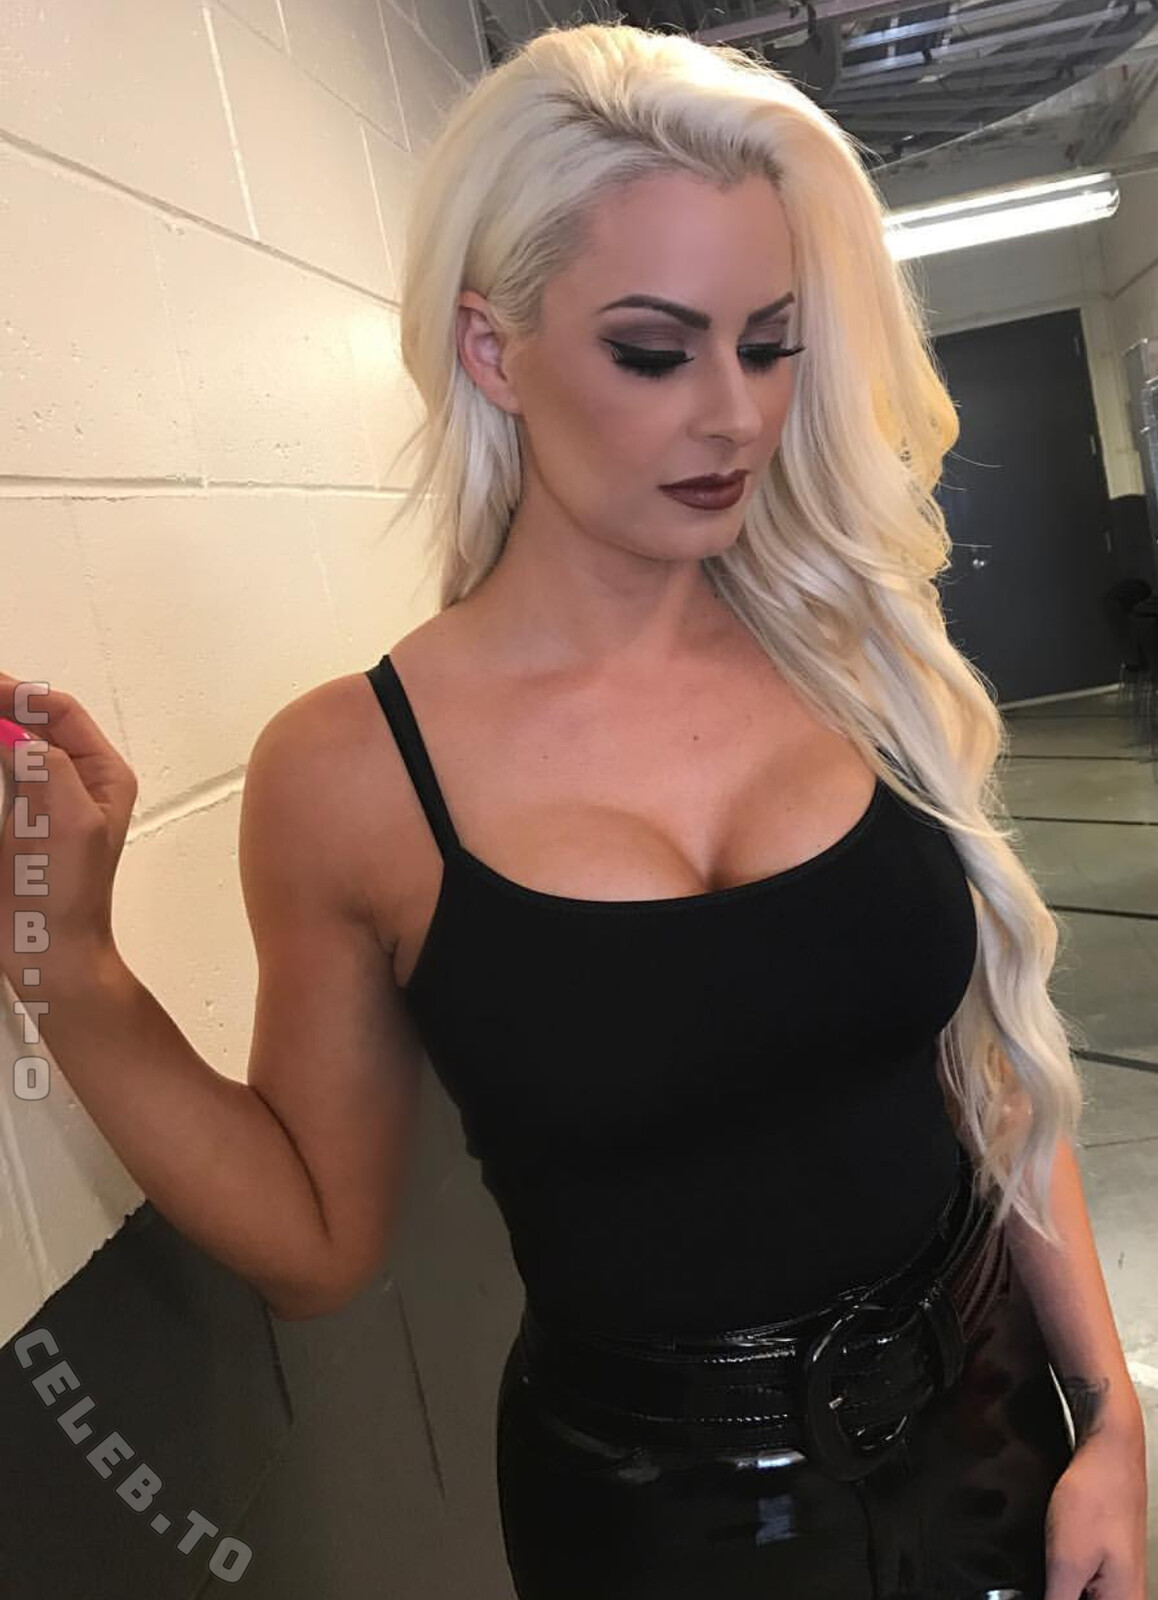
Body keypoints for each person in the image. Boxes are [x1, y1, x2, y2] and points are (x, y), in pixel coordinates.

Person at [0, 19, 1147, 1600]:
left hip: (989, 1423)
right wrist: (71, 969)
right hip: (652, 1516)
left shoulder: (850, 655)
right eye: (654, 352)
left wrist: (1110, 1418)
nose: (734, 416)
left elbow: (993, 1071)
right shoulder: (354, 774)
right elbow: (319, 1246)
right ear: (494, 351)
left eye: (769, 342)